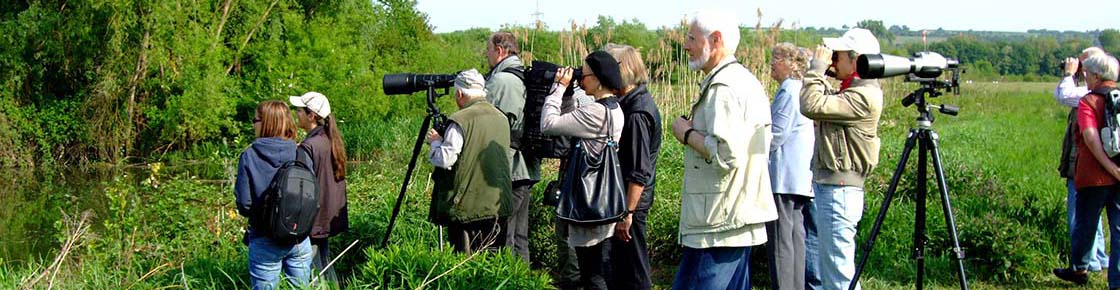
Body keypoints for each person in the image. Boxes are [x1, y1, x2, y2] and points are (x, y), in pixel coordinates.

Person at [669, 10, 777, 290]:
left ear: (716, 40)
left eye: (692, 38)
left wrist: (687, 133)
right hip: (736, 217)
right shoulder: (745, 81)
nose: (686, 45)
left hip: (718, 223)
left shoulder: (724, 87)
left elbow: (727, 155)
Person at [799, 27, 883, 290]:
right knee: (832, 270)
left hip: (840, 190)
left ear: (856, 60)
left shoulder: (863, 95)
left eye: (838, 55)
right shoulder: (852, 90)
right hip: (835, 187)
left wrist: (817, 69)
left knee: (838, 276)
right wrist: (826, 71)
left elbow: (811, 105)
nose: (833, 60)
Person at [543, 51, 626, 290]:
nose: (581, 79)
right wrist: (569, 93)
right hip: (604, 200)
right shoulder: (614, 109)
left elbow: (549, 124)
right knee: (599, 268)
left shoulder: (595, 112)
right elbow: (571, 122)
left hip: (587, 202)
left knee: (592, 273)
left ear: (599, 79)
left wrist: (558, 88)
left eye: (584, 74)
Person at [426, 69, 514, 253]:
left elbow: (444, 160)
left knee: (464, 266)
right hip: (498, 207)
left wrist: (435, 143)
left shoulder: (460, 119)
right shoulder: (501, 117)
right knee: (492, 262)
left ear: (459, 93)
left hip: (467, 209)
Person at [1053, 53, 1120, 288]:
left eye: (1088, 74)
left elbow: (1091, 139)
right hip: (1119, 178)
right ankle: (1116, 282)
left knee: (1085, 224)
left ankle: (1079, 268)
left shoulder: (1088, 101)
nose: (1086, 78)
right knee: (1119, 230)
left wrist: (1108, 166)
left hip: (1093, 177)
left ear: (1097, 76)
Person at [234, 100, 314, 290]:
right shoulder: (300, 153)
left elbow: (244, 205)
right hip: (299, 237)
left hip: (264, 237)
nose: (253, 124)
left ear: (266, 123)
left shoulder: (249, 156)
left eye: (255, 120)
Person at [604, 43, 662, 290]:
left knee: (634, 269)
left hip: (632, 203)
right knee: (623, 266)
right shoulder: (631, 102)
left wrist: (627, 212)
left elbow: (640, 169)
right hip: (628, 200)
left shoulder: (637, 112)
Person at [485, 31, 539, 262]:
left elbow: (488, 124)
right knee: (519, 236)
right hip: (525, 165)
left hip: (508, 169)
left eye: (488, 50)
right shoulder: (523, 74)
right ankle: (523, 282)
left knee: (502, 238)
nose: (486, 56)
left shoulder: (502, 80)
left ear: (499, 50)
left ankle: (507, 281)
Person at [766, 42, 815, 290]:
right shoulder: (803, 90)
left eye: (777, 58)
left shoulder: (788, 90)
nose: (772, 64)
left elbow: (776, 134)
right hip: (800, 178)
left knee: (781, 241)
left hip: (783, 178)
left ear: (791, 64)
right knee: (797, 237)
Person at [287, 91, 349, 284]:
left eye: (299, 110)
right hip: (328, 216)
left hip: (313, 218)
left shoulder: (309, 145)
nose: (296, 114)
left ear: (311, 115)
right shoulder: (331, 140)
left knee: (314, 269)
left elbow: (301, 188)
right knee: (325, 262)